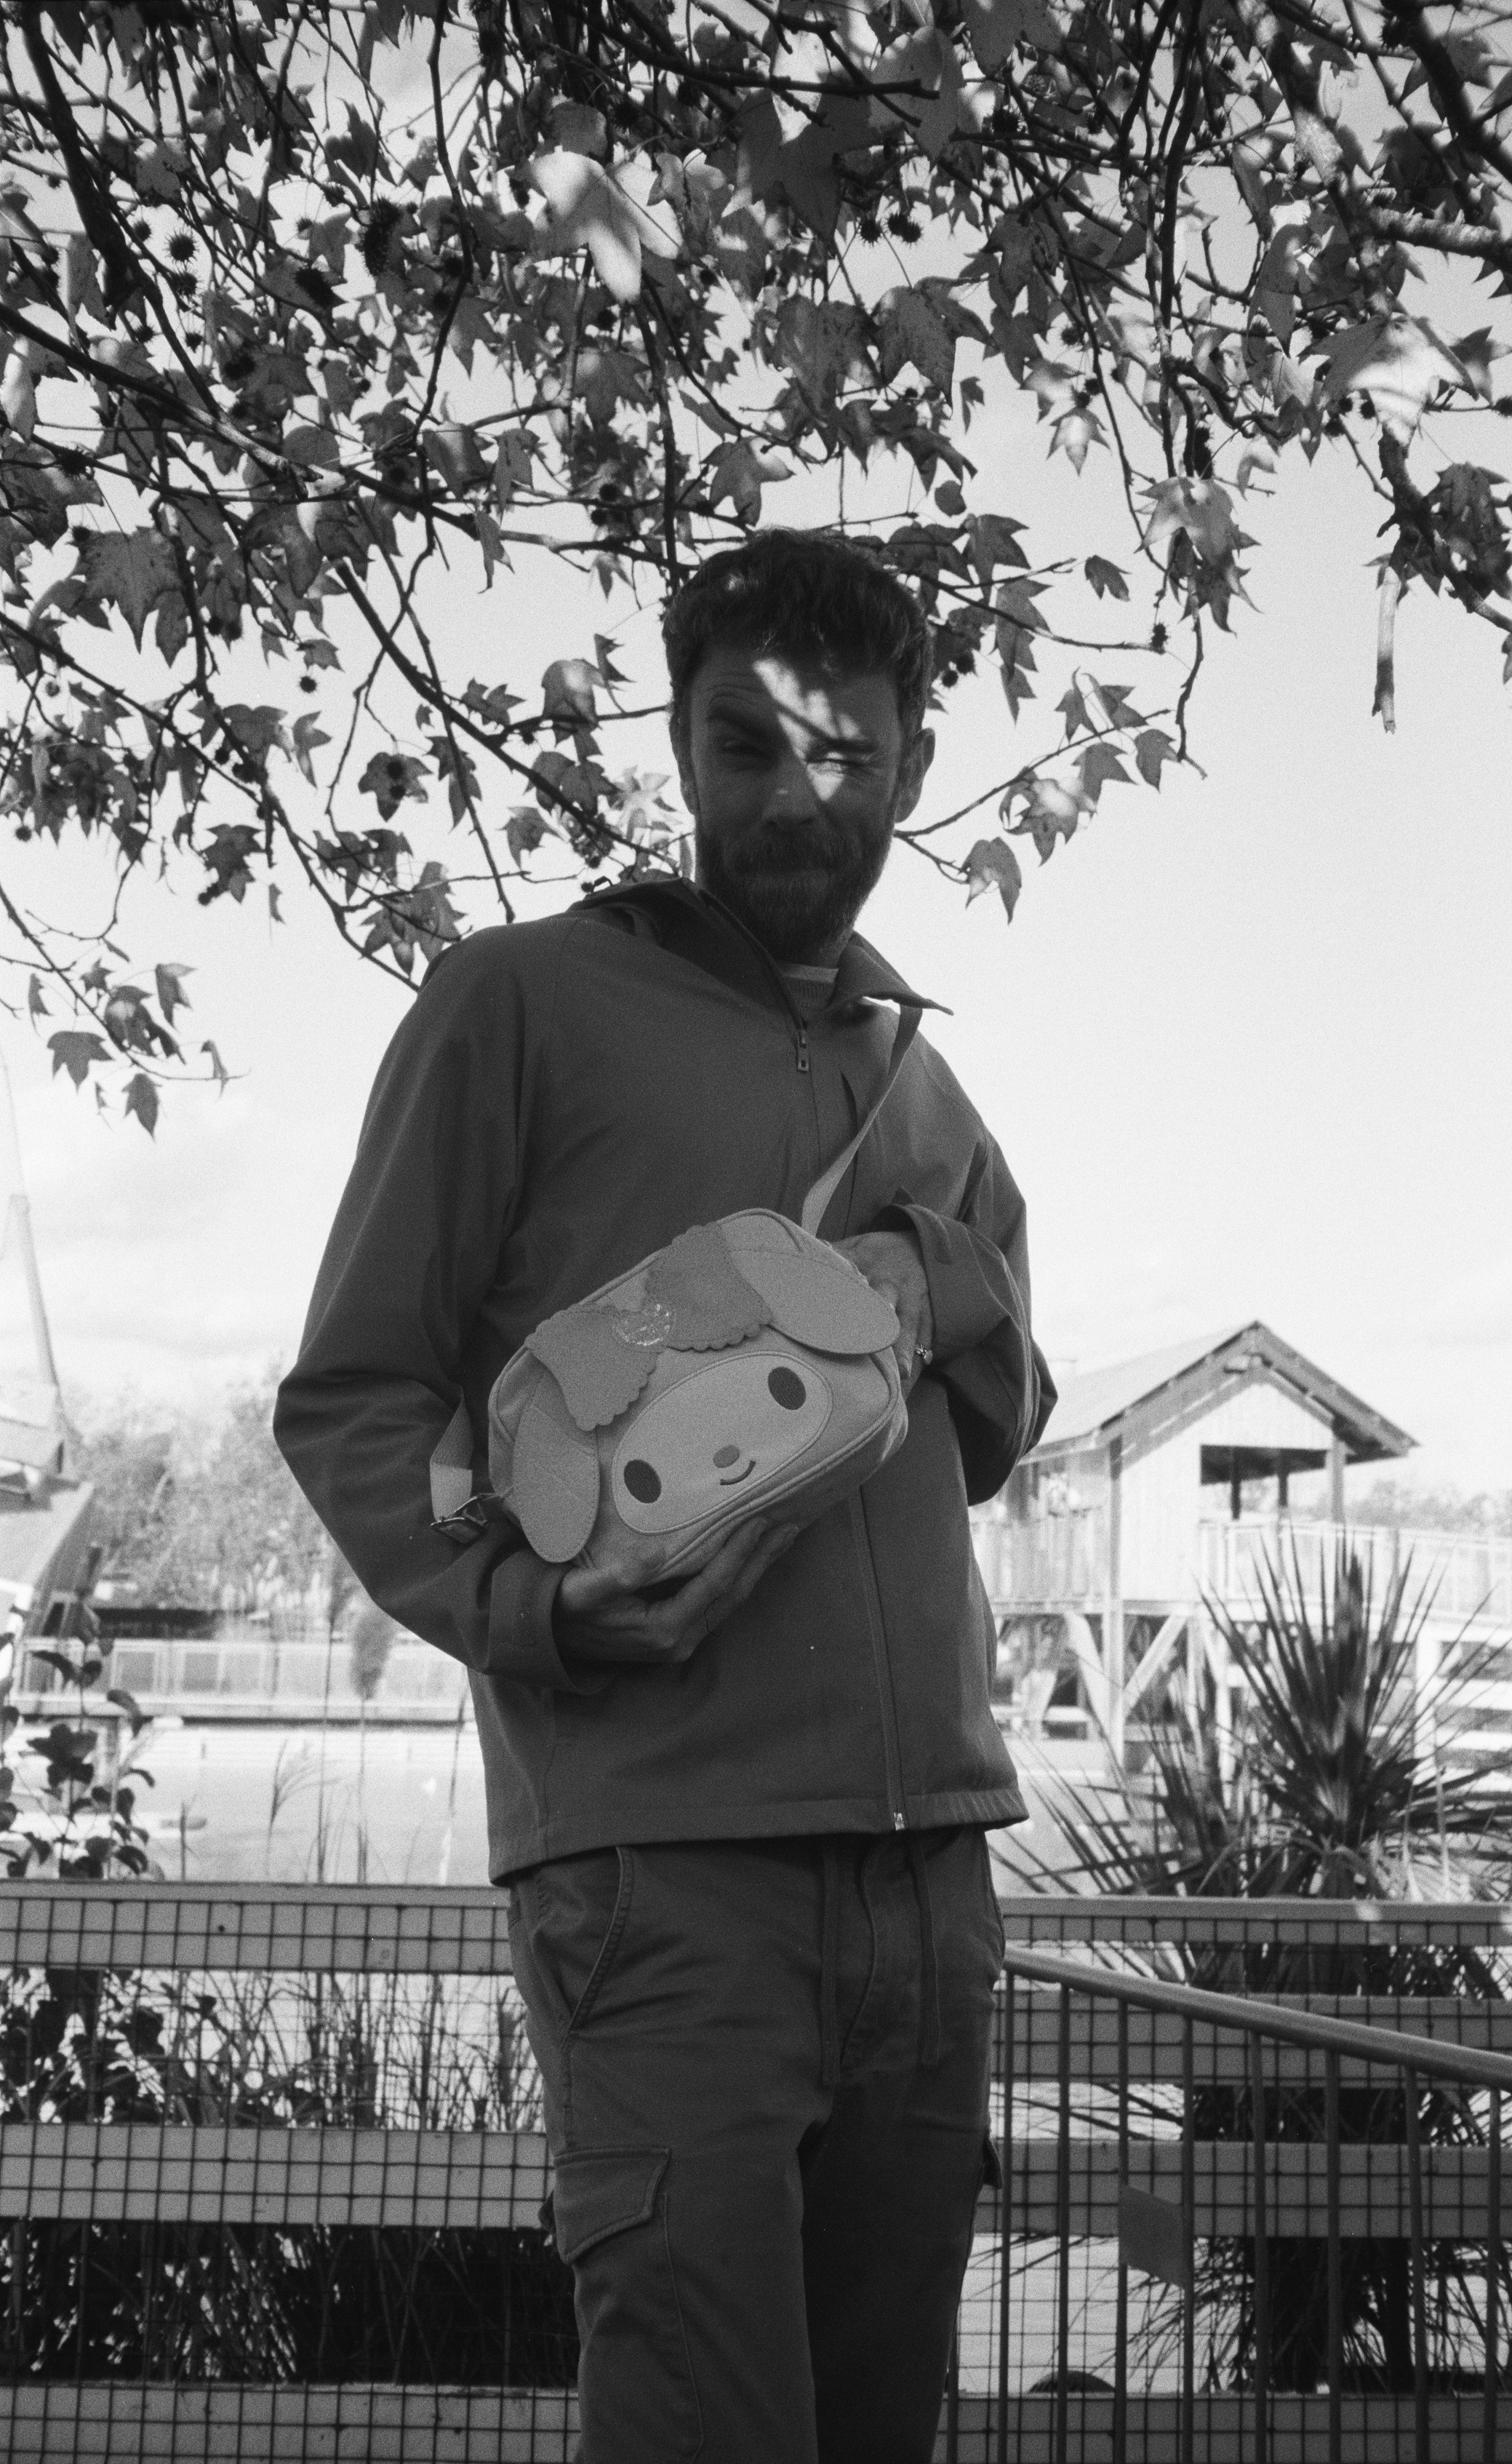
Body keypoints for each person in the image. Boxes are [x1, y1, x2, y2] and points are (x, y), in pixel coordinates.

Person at [275, 528, 1055, 2464]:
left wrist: (935, 1271)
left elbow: (997, 1424)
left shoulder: (927, 1087)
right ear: (680, 745)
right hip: (662, 1872)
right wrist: (531, 1609)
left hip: (933, 1879)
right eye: (744, 745)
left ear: (916, 757)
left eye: (847, 752)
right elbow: (356, 1394)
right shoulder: (514, 1004)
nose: (796, 798)